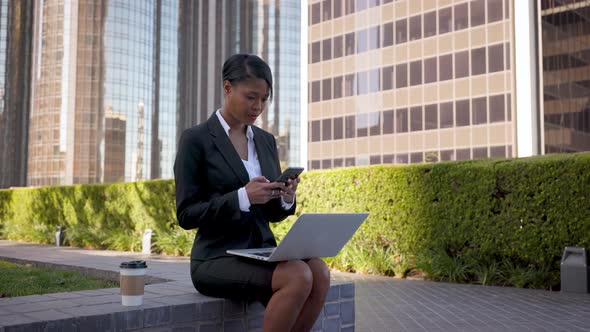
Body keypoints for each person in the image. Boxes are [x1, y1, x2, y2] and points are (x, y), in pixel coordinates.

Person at [174, 54, 330, 332]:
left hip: (261, 252)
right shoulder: (196, 139)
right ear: (227, 88)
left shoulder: (265, 141)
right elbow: (186, 214)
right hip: (215, 257)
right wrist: (242, 197)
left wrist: (284, 198)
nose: (258, 106)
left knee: (319, 271)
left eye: (264, 99)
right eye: (251, 97)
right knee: (298, 276)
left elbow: (270, 214)